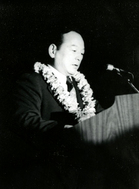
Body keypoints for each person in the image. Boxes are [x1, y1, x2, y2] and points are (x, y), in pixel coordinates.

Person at [6, 29, 103, 189]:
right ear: (53, 50)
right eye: (73, 50)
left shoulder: (82, 88)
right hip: (47, 172)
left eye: (82, 53)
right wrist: (67, 130)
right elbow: (26, 118)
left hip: (81, 172)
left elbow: (102, 116)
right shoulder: (32, 81)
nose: (79, 57)